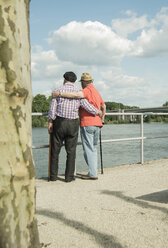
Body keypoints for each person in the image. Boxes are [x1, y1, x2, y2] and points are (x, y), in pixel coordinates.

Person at [48, 72, 102, 182]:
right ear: (74, 81)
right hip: (73, 124)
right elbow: (87, 106)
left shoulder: (57, 91)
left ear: (64, 79)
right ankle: (69, 177)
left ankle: (53, 176)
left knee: (55, 150)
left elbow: (52, 109)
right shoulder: (78, 92)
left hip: (60, 123)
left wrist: (50, 122)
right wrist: (98, 112)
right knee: (71, 151)